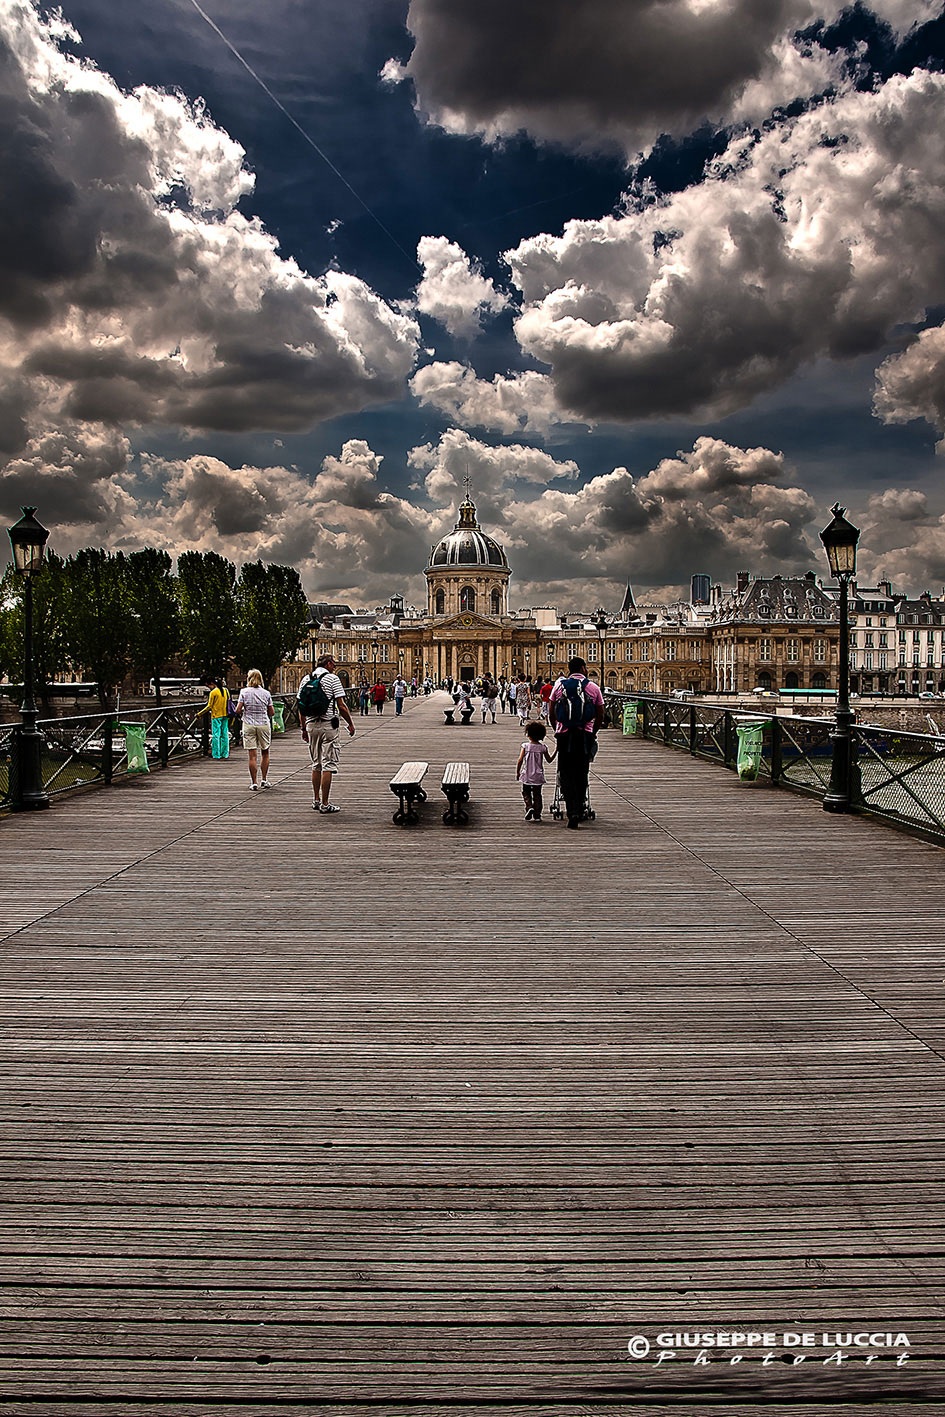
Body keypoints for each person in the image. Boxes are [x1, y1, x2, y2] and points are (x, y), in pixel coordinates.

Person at [550, 656, 604, 829]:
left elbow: (551, 712)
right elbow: (600, 713)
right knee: (581, 771)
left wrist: (558, 729)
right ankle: (580, 807)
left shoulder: (559, 686)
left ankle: (571, 810)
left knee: (565, 772)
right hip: (584, 735)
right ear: (582, 668)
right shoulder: (593, 687)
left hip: (564, 735)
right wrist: (592, 732)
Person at [298, 652, 355, 814]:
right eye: (333, 663)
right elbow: (341, 705)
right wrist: (350, 723)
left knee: (316, 764)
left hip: (311, 725)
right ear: (328, 664)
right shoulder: (333, 679)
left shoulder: (306, 679)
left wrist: (303, 728)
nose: (335, 666)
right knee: (328, 764)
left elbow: (301, 706)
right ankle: (325, 803)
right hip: (328, 725)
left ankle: (316, 800)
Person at [236, 668, 274, 790]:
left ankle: (254, 782)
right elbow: (272, 712)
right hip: (263, 723)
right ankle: (264, 779)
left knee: (252, 756)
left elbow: (238, 709)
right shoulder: (266, 693)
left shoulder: (244, 692)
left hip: (248, 724)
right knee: (265, 753)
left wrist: (245, 710)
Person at [516, 721, 556, 821]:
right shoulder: (543, 748)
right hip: (538, 775)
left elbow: (520, 760)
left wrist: (518, 772)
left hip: (527, 774)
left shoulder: (525, 746)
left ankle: (529, 806)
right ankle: (537, 815)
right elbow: (549, 760)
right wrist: (556, 750)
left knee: (526, 792)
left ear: (528, 734)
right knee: (537, 795)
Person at [197, 677, 230, 759]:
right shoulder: (226, 690)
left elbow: (209, 706)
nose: (209, 688)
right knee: (224, 734)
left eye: (208, 686)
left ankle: (216, 754)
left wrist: (199, 714)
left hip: (216, 715)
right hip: (225, 714)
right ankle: (225, 753)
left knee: (216, 735)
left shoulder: (213, 692)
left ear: (212, 684)